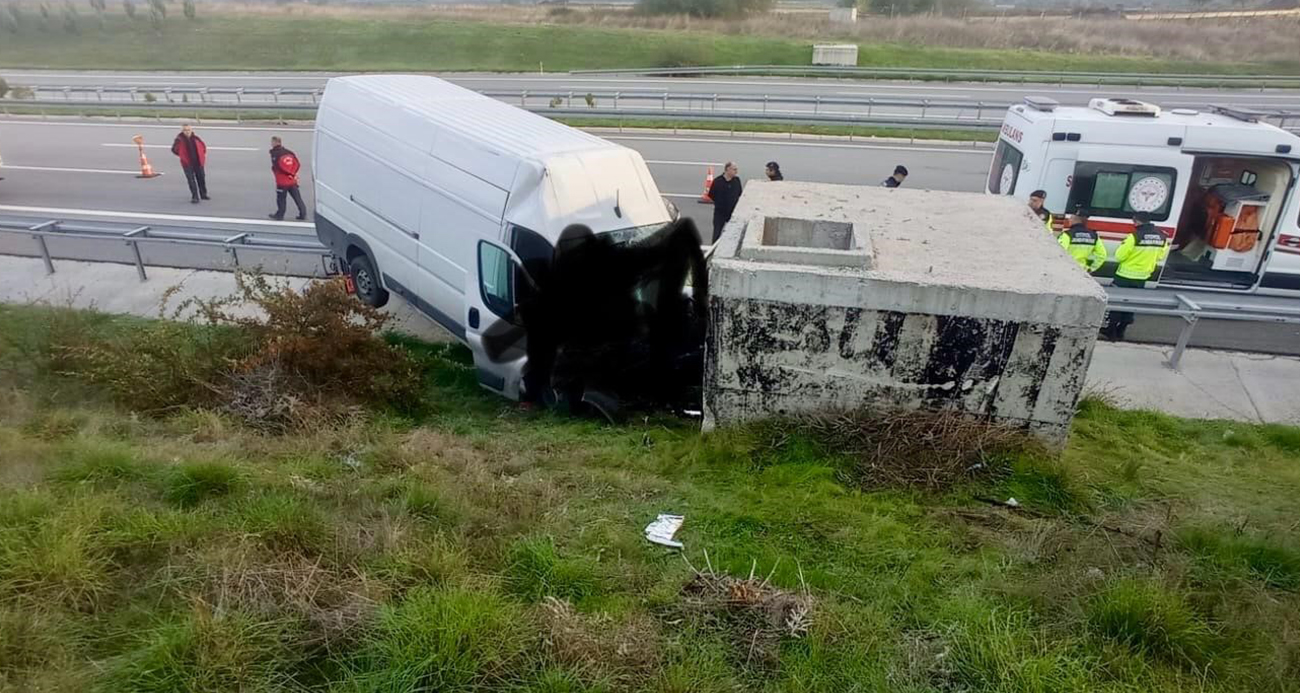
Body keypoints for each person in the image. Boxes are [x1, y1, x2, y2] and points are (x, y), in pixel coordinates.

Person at [1103, 212, 1170, 341]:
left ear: (1136, 221)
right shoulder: (1162, 237)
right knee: (1131, 304)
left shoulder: (1134, 237)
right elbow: (1161, 256)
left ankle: (1110, 332)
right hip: (1143, 277)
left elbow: (1119, 256)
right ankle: (1121, 331)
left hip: (1125, 275)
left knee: (1117, 303)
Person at [268, 136, 307, 221]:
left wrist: (287, 173)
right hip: (292, 180)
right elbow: (297, 164)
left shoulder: (275, 154)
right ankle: (303, 213)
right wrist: (292, 173)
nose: (271, 144)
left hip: (282, 181)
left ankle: (280, 215)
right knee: (297, 198)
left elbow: (278, 167)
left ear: (275, 142)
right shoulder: (289, 152)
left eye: (272, 142)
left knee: (281, 199)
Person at [1058, 208, 1107, 274]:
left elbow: (1059, 253)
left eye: (1071, 218)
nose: (1069, 220)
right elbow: (1102, 255)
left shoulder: (1067, 234)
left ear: (1075, 219)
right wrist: (1091, 268)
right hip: (1082, 271)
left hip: (1067, 270)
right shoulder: (1094, 235)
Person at [170, 124, 208, 204]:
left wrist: (202, 156)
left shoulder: (196, 138)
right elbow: (174, 150)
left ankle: (203, 194)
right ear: (182, 131)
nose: (187, 132)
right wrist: (182, 155)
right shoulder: (179, 140)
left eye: (188, 130)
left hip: (198, 162)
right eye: (185, 130)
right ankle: (195, 196)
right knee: (191, 180)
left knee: (201, 178)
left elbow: (203, 147)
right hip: (187, 164)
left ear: (191, 130)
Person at [708, 161, 743, 243]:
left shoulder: (737, 180)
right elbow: (711, 194)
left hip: (732, 211)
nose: (736, 171)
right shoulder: (718, 181)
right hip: (720, 212)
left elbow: (739, 193)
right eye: (734, 169)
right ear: (728, 169)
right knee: (717, 232)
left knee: (733, 234)